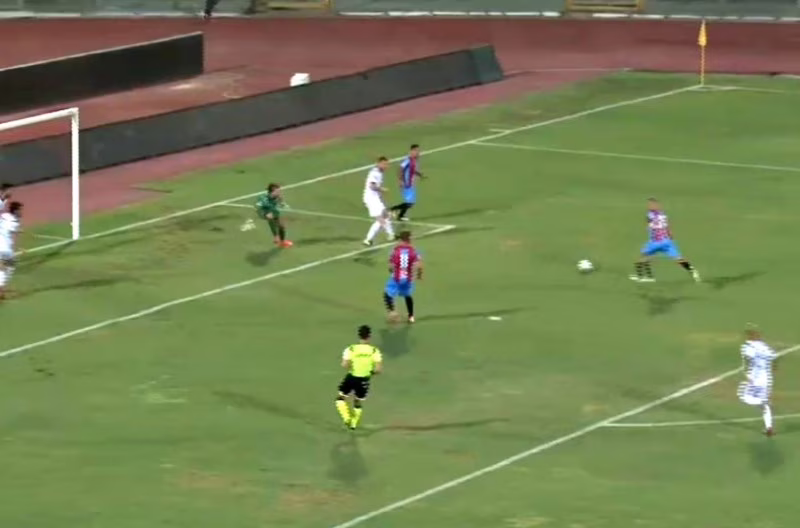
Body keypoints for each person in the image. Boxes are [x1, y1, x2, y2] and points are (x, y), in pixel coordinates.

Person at [630, 198, 700, 283]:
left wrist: (650, 227)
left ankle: (646, 277)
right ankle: (692, 270)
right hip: (667, 241)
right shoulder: (663, 214)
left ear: (655, 205)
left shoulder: (649, 214)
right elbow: (668, 229)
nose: (649, 206)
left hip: (655, 242)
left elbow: (649, 224)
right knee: (678, 258)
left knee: (642, 257)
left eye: (650, 204)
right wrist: (670, 237)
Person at [335, 325, 383, 430]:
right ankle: (354, 423)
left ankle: (347, 418)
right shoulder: (374, 351)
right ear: (369, 336)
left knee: (340, 398)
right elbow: (378, 370)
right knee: (357, 401)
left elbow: (344, 365)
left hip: (352, 377)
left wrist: (353, 367)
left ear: (359, 336)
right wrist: (369, 372)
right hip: (364, 379)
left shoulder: (351, 349)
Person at [737, 324, 777, 437]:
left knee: (747, 397)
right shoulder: (764, 347)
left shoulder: (748, 347)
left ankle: (767, 421)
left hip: (754, 378)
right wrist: (774, 368)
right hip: (764, 379)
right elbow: (774, 357)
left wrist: (747, 374)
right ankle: (769, 427)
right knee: (764, 404)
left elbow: (748, 361)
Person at [383, 230, 422, 323]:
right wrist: (419, 275)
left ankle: (392, 311)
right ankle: (411, 316)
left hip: (396, 278)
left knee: (387, 293)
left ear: (400, 239)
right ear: (409, 239)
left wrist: (392, 271)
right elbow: (419, 265)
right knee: (407, 295)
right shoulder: (414, 251)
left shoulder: (395, 250)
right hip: (407, 279)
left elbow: (390, 266)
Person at [362, 156, 395, 246]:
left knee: (384, 216)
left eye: (387, 164)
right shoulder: (374, 173)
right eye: (384, 164)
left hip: (374, 198)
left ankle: (390, 235)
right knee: (382, 218)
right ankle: (369, 239)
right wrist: (382, 189)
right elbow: (372, 186)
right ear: (378, 163)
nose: (386, 166)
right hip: (371, 198)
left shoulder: (379, 173)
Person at [389, 144, 423, 222]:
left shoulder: (413, 160)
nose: (418, 152)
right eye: (416, 151)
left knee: (409, 202)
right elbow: (400, 169)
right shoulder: (408, 160)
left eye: (418, 151)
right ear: (412, 151)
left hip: (410, 184)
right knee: (410, 203)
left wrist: (419, 174)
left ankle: (400, 216)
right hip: (406, 184)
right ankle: (392, 209)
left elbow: (412, 170)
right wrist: (400, 181)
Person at [255, 183, 293, 248]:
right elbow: (257, 207)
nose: (279, 192)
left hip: (273, 211)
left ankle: (282, 241)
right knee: (270, 217)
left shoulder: (278, 197)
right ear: (272, 192)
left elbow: (281, 202)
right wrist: (264, 214)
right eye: (277, 191)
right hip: (264, 211)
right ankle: (276, 237)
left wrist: (284, 205)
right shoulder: (264, 199)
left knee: (281, 226)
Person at [0, 201, 22, 300]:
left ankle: (1, 288)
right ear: (16, 210)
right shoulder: (15, 222)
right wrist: (19, 248)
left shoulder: (4, 215)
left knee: (2, 268)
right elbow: (15, 236)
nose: (21, 212)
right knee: (10, 266)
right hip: (6, 249)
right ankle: (1, 288)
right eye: (20, 210)